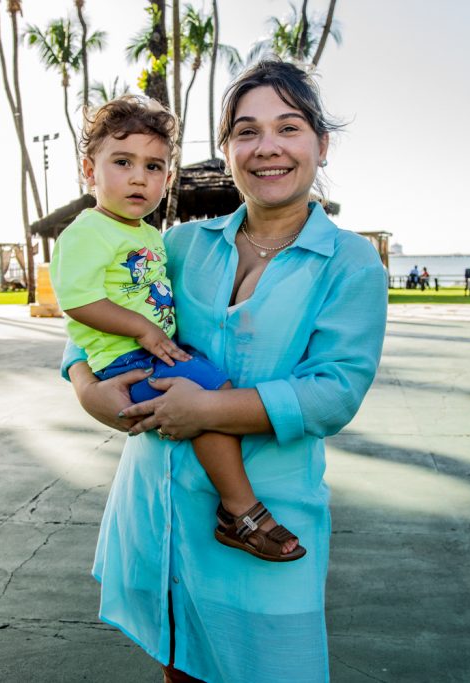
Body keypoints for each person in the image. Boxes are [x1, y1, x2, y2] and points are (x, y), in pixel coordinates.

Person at [62, 60, 387, 682]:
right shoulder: (178, 245)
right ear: (228, 148)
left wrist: (205, 411)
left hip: (267, 516)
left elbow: (334, 393)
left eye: (288, 128)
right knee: (178, 667)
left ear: (321, 143)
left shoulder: (351, 264)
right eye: (246, 131)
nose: (267, 147)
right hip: (158, 506)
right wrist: (89, 392)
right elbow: (88, 336)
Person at [50, 95, 304, 563]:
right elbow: (78, 301)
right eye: (122, 162)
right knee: (204, 407)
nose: (137, 178)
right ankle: (241, 509)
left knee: (213, 398)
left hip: (154, 352)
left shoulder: (150, 234)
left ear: (167, 180)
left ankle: (236, 501)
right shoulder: (87, 231)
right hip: (128, 359)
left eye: (153, 167)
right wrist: (120, 350)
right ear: (90, 170)